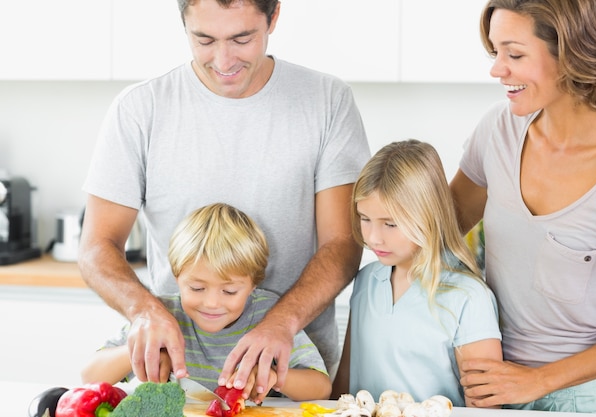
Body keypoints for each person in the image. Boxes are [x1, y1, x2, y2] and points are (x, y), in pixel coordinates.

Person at [77, 0, 370, 403]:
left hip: (288, 384)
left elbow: (343, 243)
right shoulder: (139, 109)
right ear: (183, 25)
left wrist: (280, 325)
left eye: (242, 38)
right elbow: (96, 246)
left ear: (274, 17)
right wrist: (144, 311)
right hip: (175, 386)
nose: (223, 59)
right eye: (204, 39)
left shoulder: (327, 101)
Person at [450, 0, 596, 413]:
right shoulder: (499, 129)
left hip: (583, 398)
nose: (497, 69)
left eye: (514, 54)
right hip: (487, 388)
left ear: (571, 53)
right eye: (495, 53)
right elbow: (439, 227)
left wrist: (537, 381)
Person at [81, 203, 331, 402]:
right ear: (177, 277)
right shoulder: (164, 315)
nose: (211, 303)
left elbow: (321, 388)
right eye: (197, 288)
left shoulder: (270, 316)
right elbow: (89, 376)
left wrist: (273, 376)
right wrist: (143, 352)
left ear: (254, 283)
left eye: (230, 291)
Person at [331, 140, 502, 407]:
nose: (374, 238)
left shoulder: (469, 297)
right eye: (365, 219)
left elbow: (486, 407)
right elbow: (344, 382)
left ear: (428, 216)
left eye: (390, 224)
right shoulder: (366, 281)